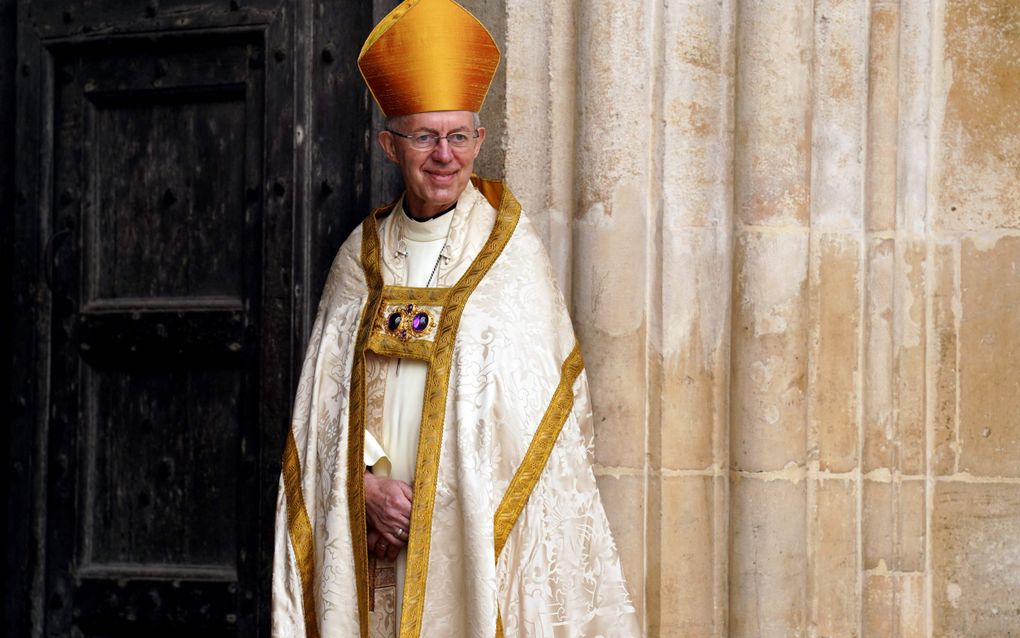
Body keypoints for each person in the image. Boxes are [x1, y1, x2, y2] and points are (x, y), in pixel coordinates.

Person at [271, 1, 638, 636]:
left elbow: (542, 417)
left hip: (471, 531)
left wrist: (446, 497)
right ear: (390, 144)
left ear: (480, 142)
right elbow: (330, 403)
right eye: (424, 136)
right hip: (373, 534)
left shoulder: (509, 254)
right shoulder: (358, 260)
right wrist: (365, 485)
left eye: (459, 136)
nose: (445, 155)